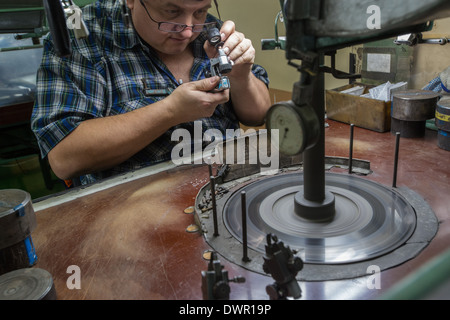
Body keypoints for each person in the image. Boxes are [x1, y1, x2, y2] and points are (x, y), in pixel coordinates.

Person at [31, 0, 271, 185]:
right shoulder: (82, 39)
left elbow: (258, 115)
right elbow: (64, 158)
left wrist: (242, 76)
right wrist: (170, 112)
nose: (188, 31)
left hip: (227, 187)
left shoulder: (209, 29)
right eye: (171, 12)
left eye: (199, 11)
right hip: (132, 212)